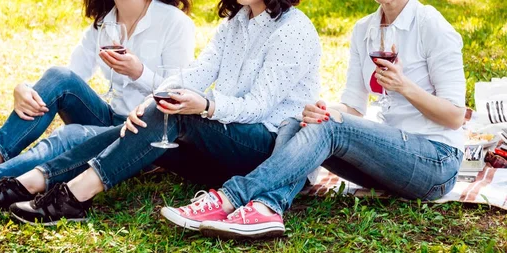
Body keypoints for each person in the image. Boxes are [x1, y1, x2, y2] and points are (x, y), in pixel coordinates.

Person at [0, 0, 322, 226]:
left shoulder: (294, 30)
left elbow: (259, 107)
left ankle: (72, 194)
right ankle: (32, 182)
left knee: (174, 113)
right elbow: (195, 75)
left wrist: (206, 106)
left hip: (268, 151)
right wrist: (149, 103)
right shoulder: (233, 25)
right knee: (151, 114)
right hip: (223, 150)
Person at [162, 0, 467, 239]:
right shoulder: (365, 29)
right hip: (387, 161)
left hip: (435, 162)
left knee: (329, 126)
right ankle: (267, 209)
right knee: (298, 119)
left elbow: (455, 117)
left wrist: (405, 87)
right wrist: (322, 112)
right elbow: (354, 109)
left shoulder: (432, 26)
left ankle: (232, 196)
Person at [0, 0, 195, 216]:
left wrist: (138, 71)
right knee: (60, 76)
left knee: (72, 136)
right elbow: (71, 75)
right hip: (111, 117)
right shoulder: (105, 23)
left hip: (147, 133)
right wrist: (24, 88)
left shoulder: (173, 22)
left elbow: (179, 94)